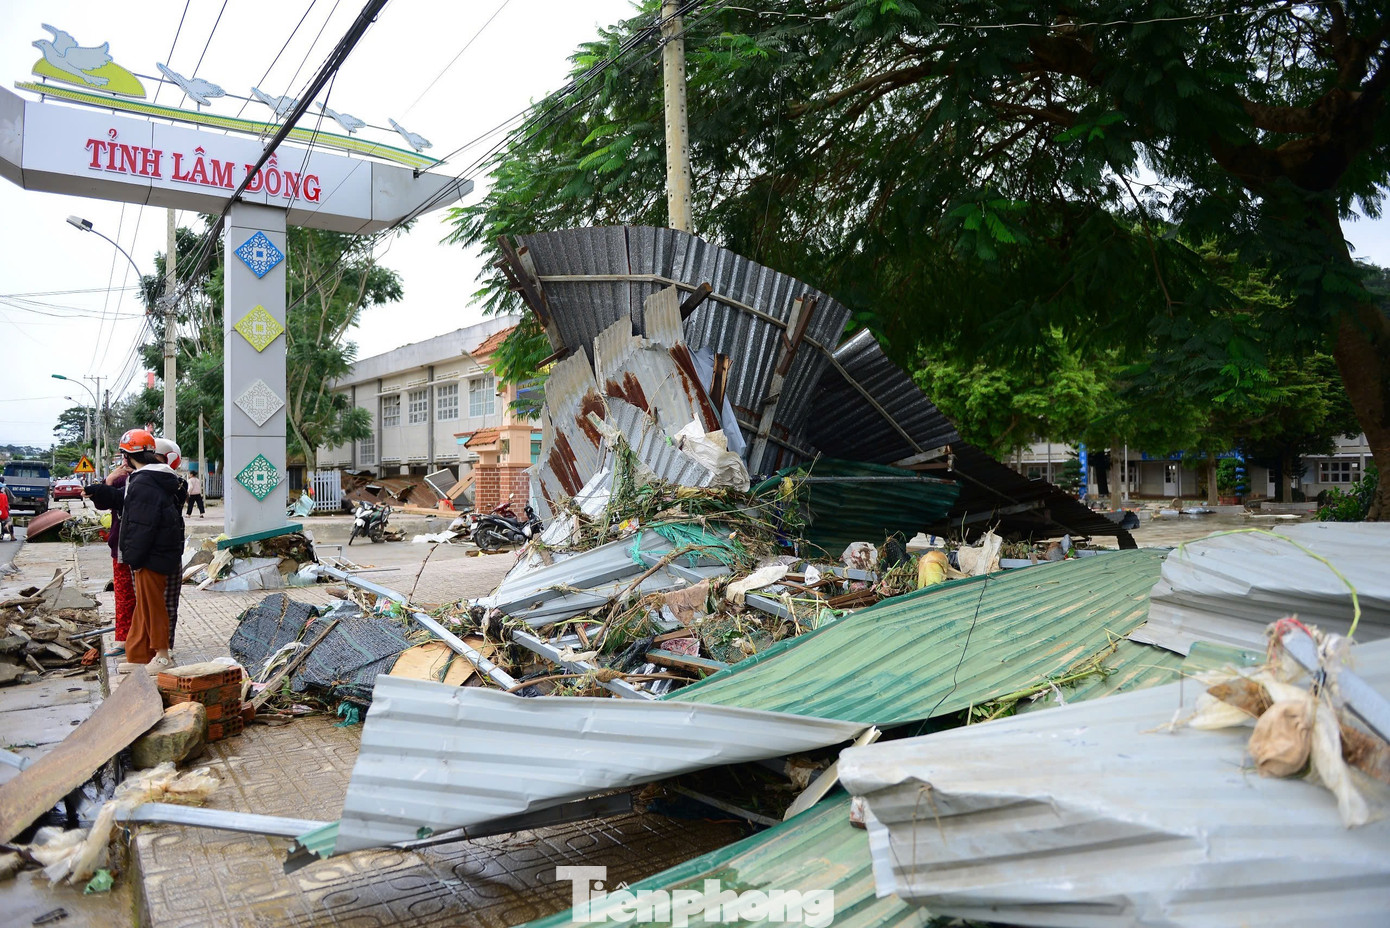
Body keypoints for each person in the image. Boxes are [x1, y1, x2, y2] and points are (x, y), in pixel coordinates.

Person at [112, 429, 185, 674]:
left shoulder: (144, 481)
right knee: (144, 607)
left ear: (127, 456)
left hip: (151, 554)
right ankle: (140, 655)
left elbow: (141, 524)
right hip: (161, 551)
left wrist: (134, 556)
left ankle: (162, 656)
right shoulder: (161, 478)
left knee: (154, 608)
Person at [85, 461, 135, 656]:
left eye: (127, 456)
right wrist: (109, 480)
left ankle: (141, 641)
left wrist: (108, 483)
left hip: (141, 547)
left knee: (143, 598)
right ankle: (124, 639)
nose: (124, 462)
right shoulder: (121, 477)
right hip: (121, 545)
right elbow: (103, 501)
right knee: (123, 595)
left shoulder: (146, 479)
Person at [154, 438, 188, 650]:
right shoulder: (142, 480)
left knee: (167, 604)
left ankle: (164, 648)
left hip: (169, 550)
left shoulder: (177, 484)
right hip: (151, 553)